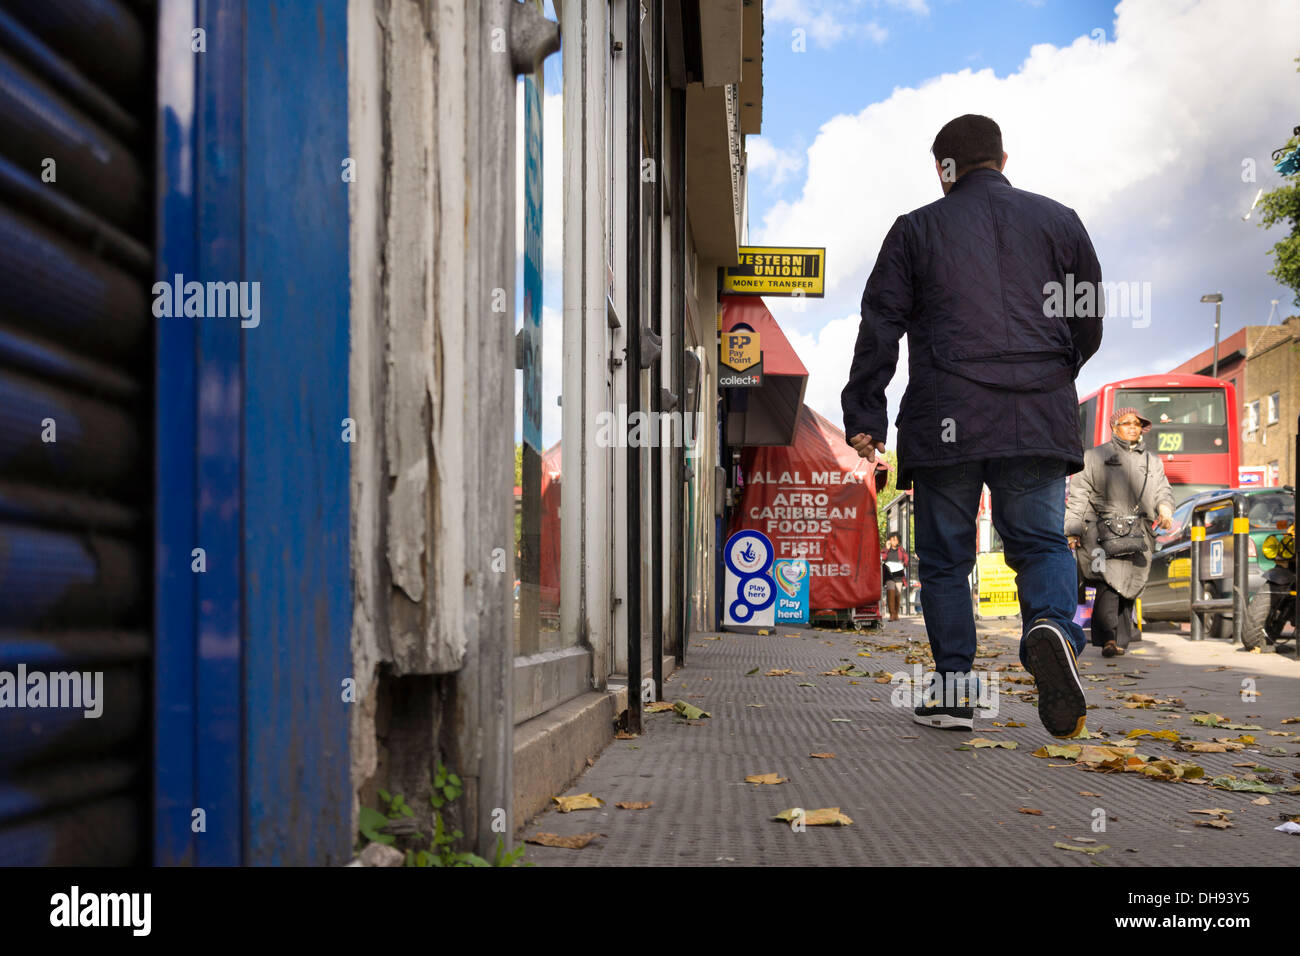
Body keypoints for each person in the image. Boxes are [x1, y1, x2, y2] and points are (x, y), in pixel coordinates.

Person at [841, 114, 1103, 736]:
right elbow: (1087, 319)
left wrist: (865, 416)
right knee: (1040, 544)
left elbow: (880, 323)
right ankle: (1052, 627)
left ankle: (956, 694)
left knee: (944, 559)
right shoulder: (1060, 221)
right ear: (1004, 159)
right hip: (1037, 414)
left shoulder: (915, 229)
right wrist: (1051, 374)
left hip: (946, 415)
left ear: (943, 168)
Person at [1065, 408, 1174, 656]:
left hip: (1138, 531)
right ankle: (1109, 639)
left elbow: (1162, 491)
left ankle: (1120, 640)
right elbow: (1079, 496)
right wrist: (1072, 529)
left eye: (1137, 424)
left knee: (1131, 582)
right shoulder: (1093, 457)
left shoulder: (1152, 461)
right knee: (1108, 582)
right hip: (1101, 531)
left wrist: (1165, 509)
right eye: (1127, 424)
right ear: (1115, 428)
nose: (1133, 428)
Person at [880, 532, 909, 621]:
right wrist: (886, 548)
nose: (894, 541)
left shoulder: (901, 550)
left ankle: (896, 613)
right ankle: (891, 613)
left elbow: (906, 560)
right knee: (890, 591)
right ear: (889, 540)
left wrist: (903, 564)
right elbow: (882, 558)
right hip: (889, 574)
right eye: (892, 539)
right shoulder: (886, 549)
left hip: (899, 575)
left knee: (898, 593)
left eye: (896, 540)